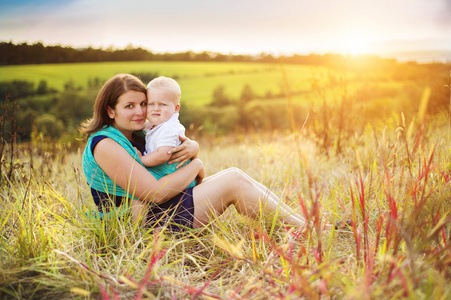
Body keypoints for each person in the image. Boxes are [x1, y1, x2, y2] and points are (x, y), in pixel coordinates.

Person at [81, 73, 320, 232]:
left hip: (161, 211)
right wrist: (195, 165)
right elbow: (155, 193)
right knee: (233, 181)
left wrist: (193, 147)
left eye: (144, 103)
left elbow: (176, 154)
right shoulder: (105, 144)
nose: (141, 112)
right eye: (129, 106)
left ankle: (307, 225)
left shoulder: (139, 135)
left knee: (236, 174)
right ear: (111, 111)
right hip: (143, 226)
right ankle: (307, 230)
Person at [137, 76, 196, 189]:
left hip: (173, 175)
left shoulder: (168, 128)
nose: (156, 108)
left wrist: (140, 160)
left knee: (137, 190)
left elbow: (163, 155)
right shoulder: (155, 125)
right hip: (169, 174)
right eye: (151, 104)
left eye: (162, 104)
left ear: (176, 108)